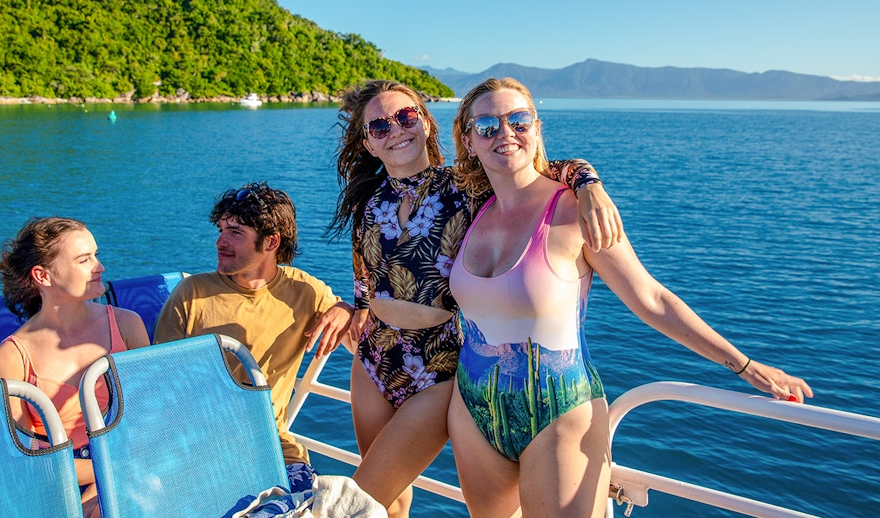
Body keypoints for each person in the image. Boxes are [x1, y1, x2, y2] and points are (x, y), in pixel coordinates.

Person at [446, 77, 813, 518]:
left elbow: (651, 298)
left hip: (558, 414)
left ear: (537, 128)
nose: (505, 133)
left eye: (518, 120)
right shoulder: (467, 210)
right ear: (468, 140)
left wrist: (744, 364)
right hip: (471, 412)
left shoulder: (575, 212)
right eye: (487, 126)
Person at [330, 79, 624, 518]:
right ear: (370, 144)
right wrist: (349, 307)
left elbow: (540, 166)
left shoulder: (469, 188)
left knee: (361, 496)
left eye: (406, 116)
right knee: (389, 503)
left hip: (439, 367)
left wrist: (590, 184)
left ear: (427, 125)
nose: (395, 129)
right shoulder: (369, 202)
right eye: (379, 126)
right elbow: (365, 279)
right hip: (373, 358)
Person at [153, 182, 354, 493]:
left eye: (235, 232)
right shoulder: (191, 294)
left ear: (271, 242)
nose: (220, 241)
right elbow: (159, 385)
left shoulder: (306, 292)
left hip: (273, 446)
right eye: (221, 230)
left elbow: (360, 346)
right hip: (194, 448)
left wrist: (347, 309)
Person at [0, 217, 150, 518]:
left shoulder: (127, 325)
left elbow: (151, 410)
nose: (99, 266)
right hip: (62, 476)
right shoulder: (12, 355)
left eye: (96, 255)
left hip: (128, 458)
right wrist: (102, 470)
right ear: (43, 276)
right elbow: (21, 455)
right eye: (83, 259)